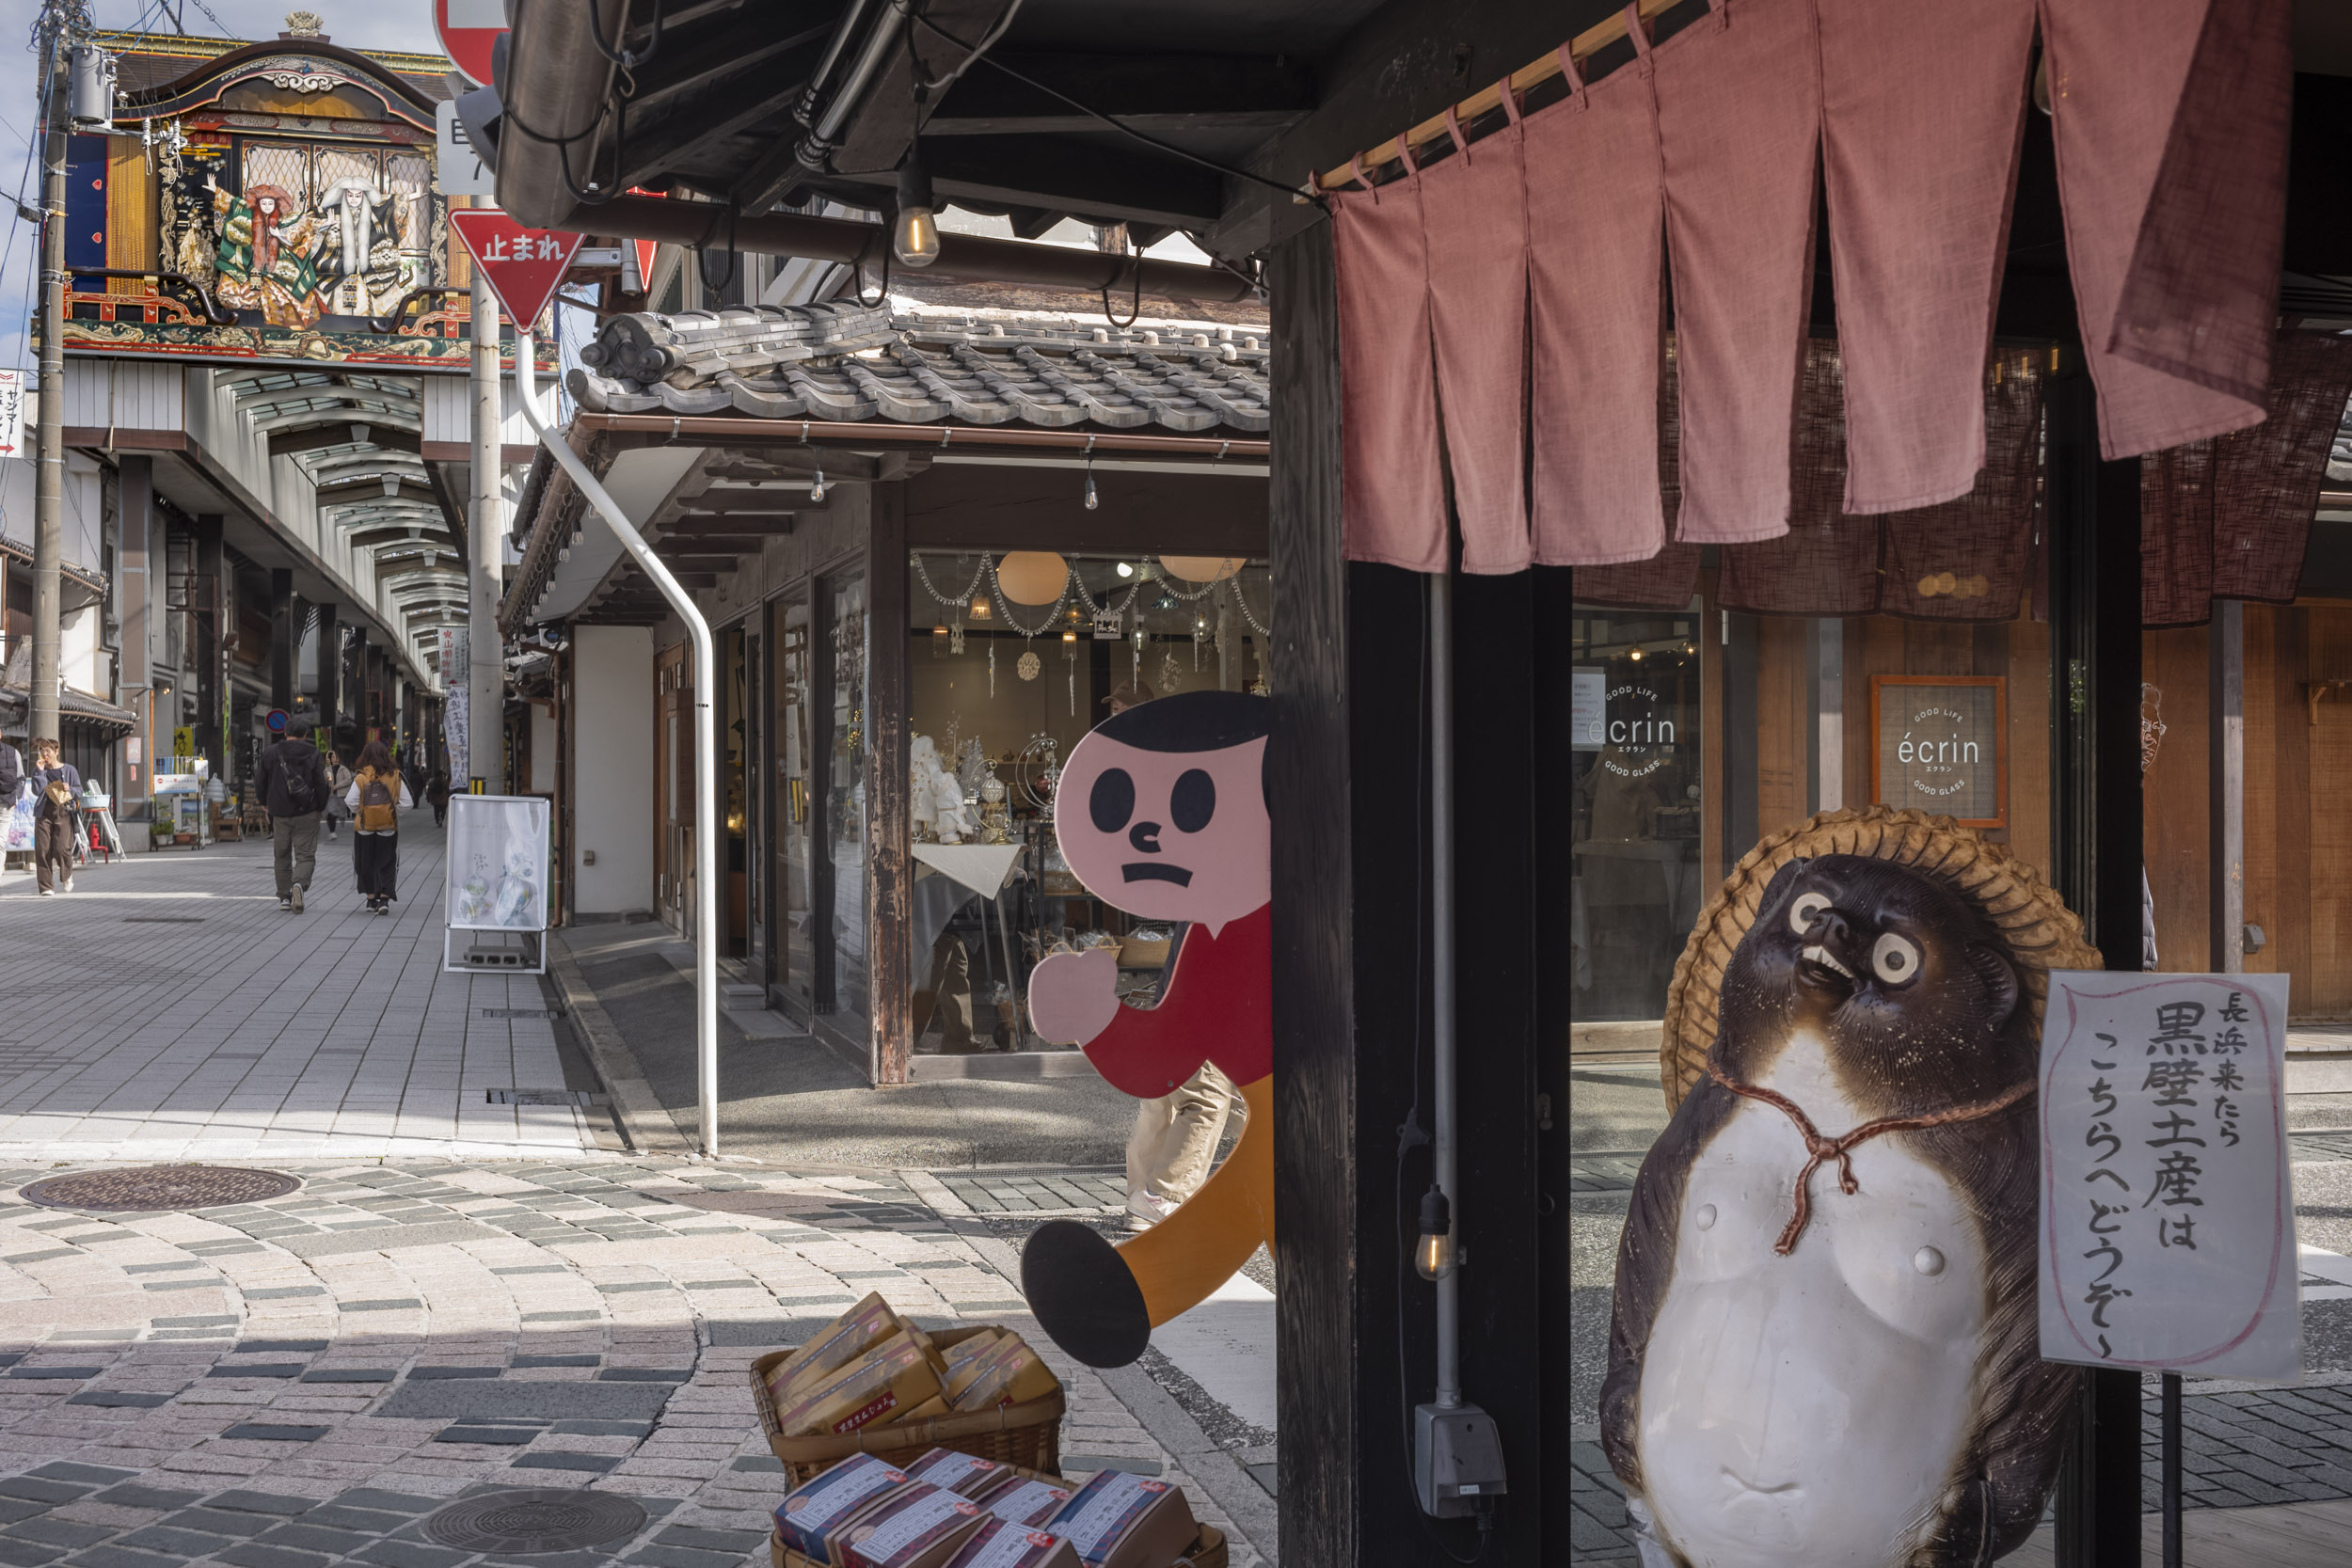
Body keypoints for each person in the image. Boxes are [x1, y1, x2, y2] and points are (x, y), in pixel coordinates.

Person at [257, 715, 329, 911]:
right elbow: (321, 783)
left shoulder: (271, 753)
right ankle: (298, 884)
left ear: (285, 732)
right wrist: (320, 806)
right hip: (306, 812)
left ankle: (284, 897)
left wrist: (265, 804)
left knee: (282, 855)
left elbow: (260, 781)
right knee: (305, 855)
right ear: (305, 734)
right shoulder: (313, 752)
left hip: (279, 813)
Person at [346, 738, 411, 915]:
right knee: (386, 862)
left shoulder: (361, 777)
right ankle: (384, 899)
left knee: (365, 862)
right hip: (387, 827)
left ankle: (370, 899)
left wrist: (361, 811)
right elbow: (407, 803)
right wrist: (392, 812)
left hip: (364, 827)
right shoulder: (395, 776)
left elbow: (350, 801)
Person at [25, 738, 81, 896]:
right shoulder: (39, 770)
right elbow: (37, 791)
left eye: (48, 751)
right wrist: (40, 772)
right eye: (41, 751)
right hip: (44, 812)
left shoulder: (69, 770)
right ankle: (46, 887)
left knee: (62, 848)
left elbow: (79, 790)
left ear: (56, 752)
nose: (44, 754)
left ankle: (67, 875)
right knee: (42, 849)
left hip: (63, 811)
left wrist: (69, 789)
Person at [323, 752, 354, 840]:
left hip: (342, 795)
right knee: (331, 813)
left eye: (336, 757)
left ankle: (342, 817)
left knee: (341, 812)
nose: (335, 759)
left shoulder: (344, 769)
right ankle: (332, 832)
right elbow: (328, 780)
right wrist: (327, 781)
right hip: (332, 795)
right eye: (333, 757)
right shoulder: (328, 769)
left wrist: (337, 786)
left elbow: (348, 780)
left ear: (339, 759)